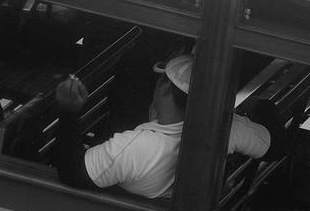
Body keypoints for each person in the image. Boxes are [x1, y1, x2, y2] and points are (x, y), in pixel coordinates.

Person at [52, 54, 284, 200]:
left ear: (164, 89)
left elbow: (72, 173)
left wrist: (68, 110)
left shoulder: (137, 146)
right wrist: (263, 106)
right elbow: (275, 148)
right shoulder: (228, 127)